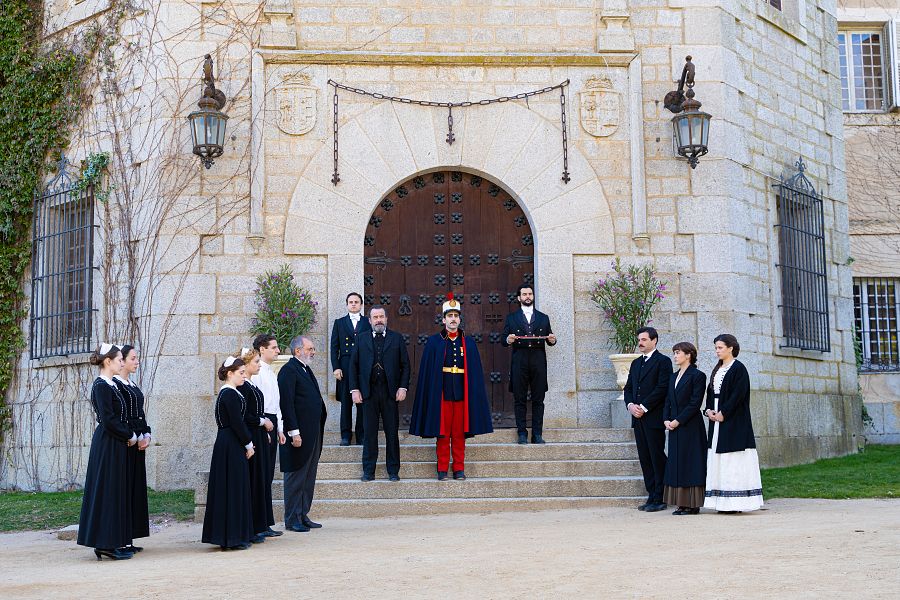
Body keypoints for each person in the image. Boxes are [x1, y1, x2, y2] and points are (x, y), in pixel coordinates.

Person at [409, 293, 493, 480]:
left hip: (462, 394)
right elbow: (429, 372)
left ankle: (459, 469)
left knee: (459, 434)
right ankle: (442, 469)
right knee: (442, 434)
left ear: (460, 319)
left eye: (456, 316)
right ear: (443, 319)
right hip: (441, 394)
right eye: (449, 316)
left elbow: (474, 372)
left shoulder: (469, 343)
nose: (453, 319)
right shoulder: (434, 342)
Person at [78, 343, 137, 560]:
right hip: (108, 443)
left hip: (115, 442)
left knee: (115, 491)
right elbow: (109, 419)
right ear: (108, 361)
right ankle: (105, 544)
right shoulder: (101, 386)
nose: (122, 363)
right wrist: (129, 435)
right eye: (120, 359)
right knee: (108, 491)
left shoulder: (112, 385)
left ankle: (114, 541)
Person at [703, 334, 764, 513]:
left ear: (730, 348)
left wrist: (724, 413)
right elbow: (711, 392)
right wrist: (708, 410)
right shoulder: (717, 369)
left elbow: (738, 394)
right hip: (716, 421)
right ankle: (721, 502)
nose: (717, 351)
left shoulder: (739, 369)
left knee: (733, 459)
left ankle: (736, 503)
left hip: (734, 420)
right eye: (716, 348)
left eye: (720, 347)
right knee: (718, 458)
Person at [349, 306, 411, 482]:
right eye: (375, 317)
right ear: (369, 320)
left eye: (381, 317)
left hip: (390, 392)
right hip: (368, 393)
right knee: (369, 433)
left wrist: (403, 387)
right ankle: (368, 471)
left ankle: (393, 471)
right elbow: (353, 365)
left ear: (386, 319)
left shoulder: (396, 338)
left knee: (392, 433)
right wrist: (355, 390)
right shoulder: (361, 339)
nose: (378, 320)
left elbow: (405, 365)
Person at [201, 357, 256, 550]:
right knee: (232, 487)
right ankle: (231, 537)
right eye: (240, 373)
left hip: (229, 442)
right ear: (230, 374)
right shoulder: (229, 394)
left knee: (233, 487)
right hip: (230, 443)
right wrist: (248, 444)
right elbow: (237, 423)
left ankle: (232, 535)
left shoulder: (231, 393)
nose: (244, 376)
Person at [279, 336, 327, 532]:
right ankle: (292, 518)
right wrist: (294, 432)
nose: (313, 352)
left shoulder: (305, 368)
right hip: (298, 434)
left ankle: (302, 514)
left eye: (313, 349)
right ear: (297, 350)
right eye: (310, 349)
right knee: (296, 476)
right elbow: (287, 404)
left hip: (312, 432)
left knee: (308, 476)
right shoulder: (288, 370)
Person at [623, 327, 672, 512]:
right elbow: (628, 388)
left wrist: (643, 407)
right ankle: (651, 495)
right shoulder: (636, 363)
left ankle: (661, 497)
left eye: (644, 339)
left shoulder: (663, 361)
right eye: (639, 340)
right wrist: (630, 406)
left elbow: (662, 388)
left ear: (654, 340)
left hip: (653, 417)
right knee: (645, 458)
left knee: (656, 456)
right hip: (638, 418)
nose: (640, 343)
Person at [501, 284, 557, 444]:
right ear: (519, 298)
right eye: (524, 294)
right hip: (519, 361)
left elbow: (550, 338)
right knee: (519, 399)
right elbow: (503, 340)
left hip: (538, 361)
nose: (527, 297)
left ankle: (537, 434)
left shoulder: (543, 318)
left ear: (533, 296)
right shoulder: (511, 318)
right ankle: (522, 434)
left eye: (530, 294)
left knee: (539, 399)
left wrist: (553, 340)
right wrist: (508, 339)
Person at [237, 347, 278, 541]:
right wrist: (262, 423)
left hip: (259, 434)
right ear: (245, 365)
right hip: (252, 434)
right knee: (254, 480)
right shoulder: (243, 387)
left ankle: (262, 523)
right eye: (255, 362)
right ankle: (254, 526)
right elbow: (246, 416)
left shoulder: (251, 384)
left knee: (262, 479)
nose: (259, 365)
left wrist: (265, 431)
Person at [112, 345, 151, 551]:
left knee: (135, 488)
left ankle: (130, 537)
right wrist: (132, 435)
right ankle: (122, 538)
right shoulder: (116, 385)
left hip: (138, 441)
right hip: (127, 440)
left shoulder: (131, 384)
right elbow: (122, 415)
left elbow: (139, 413)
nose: (137, 362)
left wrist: (146, 434)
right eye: (133, 358)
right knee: (125, 488)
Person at [662, 342, 707, 515]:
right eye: (674, 352)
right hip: (674, 427)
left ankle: (693, 504)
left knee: (691, 462)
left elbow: (695, 403)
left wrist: (678, 421)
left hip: (690, 426)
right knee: (677, 463)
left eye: (678, 352)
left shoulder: (698, 376)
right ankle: (681, 503)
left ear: (688, 355)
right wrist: (666, 419)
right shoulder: (673, 377)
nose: (675, 356)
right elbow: (667, 400)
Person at [250, 333, 286, 536]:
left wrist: (280, 428)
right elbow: (257, 404)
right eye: (274, 347)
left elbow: (277, 404)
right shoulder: (257, 373)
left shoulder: (271, 372)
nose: (278, 351)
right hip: (263, 423)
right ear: (262, 349)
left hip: (273, 422)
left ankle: (265, 523)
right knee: (261, 475)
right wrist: (265, 426)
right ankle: (258, 524)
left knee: (268, 475)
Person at [330, 292, 371, 446]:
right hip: (345, 365)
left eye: (356, 302)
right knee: (346, 403)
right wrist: (336, 367)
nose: (353, 304)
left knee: (362, 402)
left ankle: (361, 436)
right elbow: (334, 348)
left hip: (363, 365)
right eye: (351, 302)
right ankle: (345, 436)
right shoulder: (339, 323)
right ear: (347, 304)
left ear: (361, 304)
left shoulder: (367, 322)